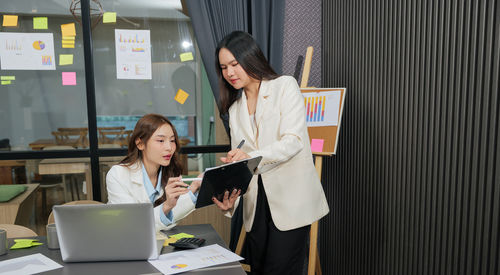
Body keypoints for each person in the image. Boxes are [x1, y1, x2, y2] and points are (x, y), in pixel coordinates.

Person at [214, 31, 330, 274]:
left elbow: (293, 141)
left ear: (251, 58)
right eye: (224, 67)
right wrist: (229, 201)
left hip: (291, 201)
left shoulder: (285, 86)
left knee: (281, 268)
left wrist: (251, 157)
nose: (230, 73)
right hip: (256, 206)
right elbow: (242, 161)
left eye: (235, 64)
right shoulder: (235, 108)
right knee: (259, 269)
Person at [106, 114, 201, 231]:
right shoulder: (118, 174)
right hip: (125, 244)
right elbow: (132, 224)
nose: (169, 147)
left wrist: (194, 188)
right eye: (161, 140)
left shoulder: (171, 172)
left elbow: (170, 219)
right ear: (140, 144)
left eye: (172, 140)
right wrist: (166, 206)